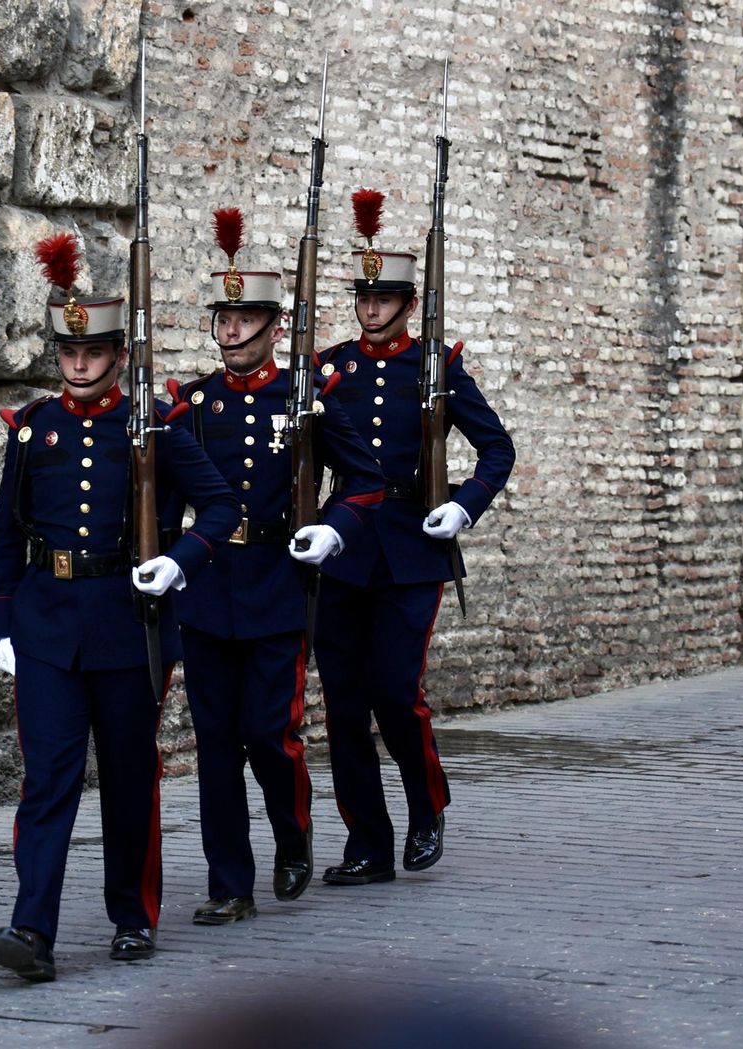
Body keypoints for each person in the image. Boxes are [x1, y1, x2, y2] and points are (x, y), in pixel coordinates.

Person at [0, 232, 241, 982]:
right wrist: (4, 625)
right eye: (69, 355)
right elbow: (7, 533)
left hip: (130, 630)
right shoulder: (34, 428)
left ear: (117, 358)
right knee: (48, 778)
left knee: (129, 776)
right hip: (47, 628)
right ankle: (32, 926)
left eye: (93, 355)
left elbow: (220, 508)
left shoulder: (155, 426)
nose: (80, 365)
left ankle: (132, 914)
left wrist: (178, 562)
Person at [166, 208, 385, 925]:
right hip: (206, 587)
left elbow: (367, 480)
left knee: (271, 734)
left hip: (276, 584)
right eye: (223, 320)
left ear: (273, 325)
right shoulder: (192, 407)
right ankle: (230, 880)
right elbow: (164, 499)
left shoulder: (306, 398)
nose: (230, 332)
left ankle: (293, 834)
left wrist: (332, 529)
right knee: (215, 746)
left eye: (244, 319)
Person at [312, 189, 514, 885]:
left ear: (406, 302)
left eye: (384, 299)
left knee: (395, 691)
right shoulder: (329, 367)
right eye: (363, 299)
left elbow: (498, 450)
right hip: (343, 548)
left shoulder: (437, 366)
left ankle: (427, 808)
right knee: (342, 701)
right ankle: (366, 840)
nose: (370, 310)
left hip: (410, 544)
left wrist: (463, 508)